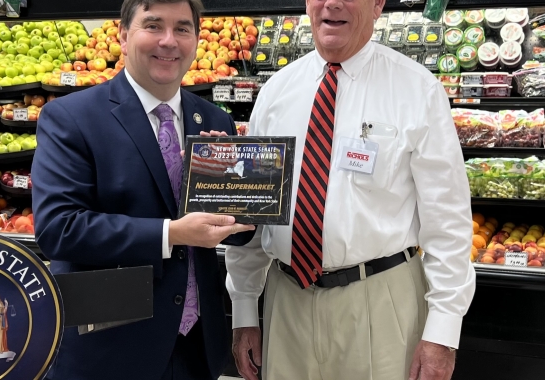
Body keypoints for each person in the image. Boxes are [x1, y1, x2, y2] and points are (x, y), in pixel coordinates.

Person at [226, 0, 476, 380]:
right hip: (286, 301)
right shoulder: (276, 92)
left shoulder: (417, 89)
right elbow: (254, 214)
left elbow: (448, 222)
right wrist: (245, 308)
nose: (332, 4)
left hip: (380, 302)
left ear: (378, 4)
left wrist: (443, 331)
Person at [32, 0, 254, 379]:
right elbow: (59, 228)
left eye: (183, 29)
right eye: (153, 25)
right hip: (112, 347)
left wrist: (237, 192)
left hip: (197, 346)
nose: (169, 41)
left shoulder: (214, 119)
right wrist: (172, 233)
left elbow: (238, 235)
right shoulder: (71, 117)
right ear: (122, 34)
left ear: (197, 39)